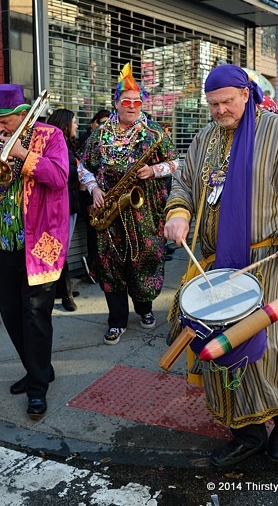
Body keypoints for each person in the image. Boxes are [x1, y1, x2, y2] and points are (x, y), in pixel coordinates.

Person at [164, 64, 278, 467]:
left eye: (225, 102)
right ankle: (246, 434)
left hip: (265, 264)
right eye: (212, 104)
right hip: (214, 267)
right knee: (218, 349)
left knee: (270, 350)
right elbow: (183, 184)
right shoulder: (202, 139)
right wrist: (177, 212)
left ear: (245, 94)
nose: (218, 111)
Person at [0, 84, 69, 418]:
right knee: (11, 314)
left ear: (23, 115)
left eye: (5, 121)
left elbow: (58, 177)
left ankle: (38, 389)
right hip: (3, 243)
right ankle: (37, 369)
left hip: (40, 245)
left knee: (36, 316)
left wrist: (23, 154)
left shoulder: (51, 135)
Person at [78, 63, 179, 345]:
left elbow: (175, 163)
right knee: (111, 265)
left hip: (143, 212)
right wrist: (94, 187)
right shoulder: (100, 134)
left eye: (137, 102)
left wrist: (154, 170)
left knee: (143, 260)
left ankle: (144, 308)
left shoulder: (153, 131)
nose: (133, 106)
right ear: (116, 103)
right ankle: (116, 320)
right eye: (127, 102)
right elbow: (82, 166)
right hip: (108, 209)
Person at [46, 108, 81, 311]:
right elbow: (64, 176)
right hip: (62, 208)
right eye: (74, 122)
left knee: (60, 253)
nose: (76, 125)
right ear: (65, 124)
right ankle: (65, 295)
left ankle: (62, 290)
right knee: (60, 253)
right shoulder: (60, 147)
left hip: (69, 205)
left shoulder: (66, 145)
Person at [77, 109, 111, 284]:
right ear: (92, 123)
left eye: (106, 122)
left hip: (103, 195)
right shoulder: (86, 140)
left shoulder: (107, 138)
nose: (102, 126)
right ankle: (94, 269)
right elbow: (83, 170)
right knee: (94, 234)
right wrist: (90, 198)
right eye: (100, 122)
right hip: (89, 194)